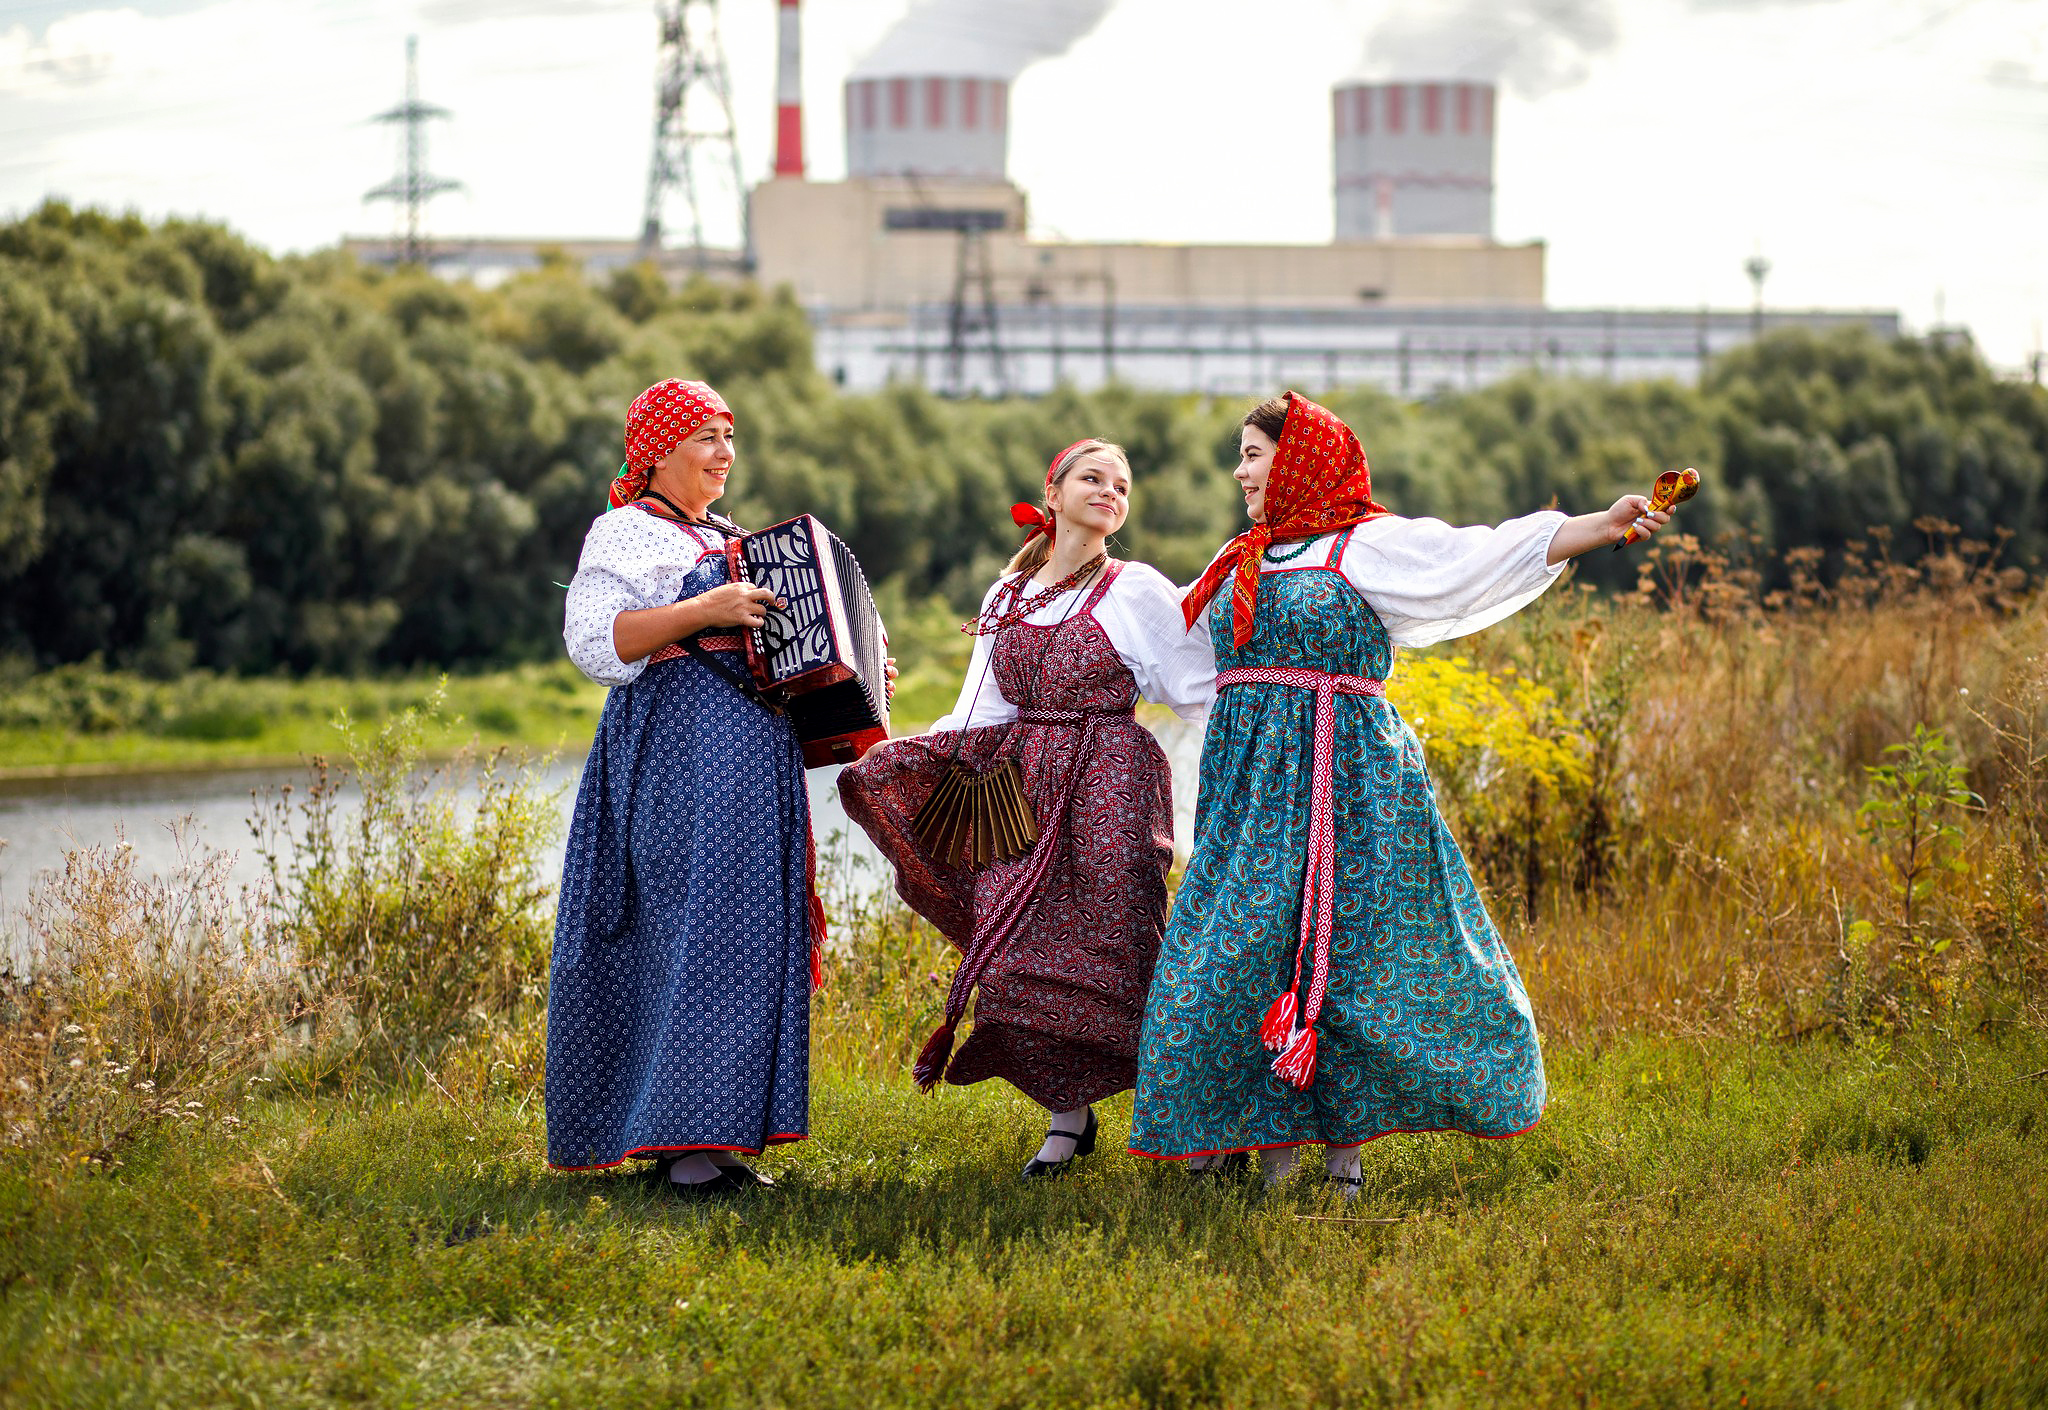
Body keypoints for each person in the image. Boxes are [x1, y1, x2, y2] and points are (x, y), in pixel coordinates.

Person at [1128, 391, 1670, 1193]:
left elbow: (1479, 557)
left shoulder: (1366, 545)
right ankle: (1259, 1143)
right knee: (1230, 957)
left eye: (1253, 453)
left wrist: (1601, 523)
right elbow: (1163, 652)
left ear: (1301, 458)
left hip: (1350, 784)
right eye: (1240, 454)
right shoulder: (1241, 556)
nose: (1239, 471)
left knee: (1354, 959)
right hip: (1247, 793)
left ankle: (1341, 1164)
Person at [838, 439, 1213, 1178]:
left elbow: (1194, 688)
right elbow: (978, 708)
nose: (1109, 491)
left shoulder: (1136, 589)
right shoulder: (1005, 595)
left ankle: (1193, 1120)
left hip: (1110, 781)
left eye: (1122, 484)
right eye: (1093, 478)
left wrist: (1245, 761)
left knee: (1120, 944)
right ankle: (1067, 1121)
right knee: (1018, 954)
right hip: (1019, 793)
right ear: (1054, 490)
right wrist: (897, 756)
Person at [546, 377, 824, 1198]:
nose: (725, 455)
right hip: (673, 758)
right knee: (688, 932)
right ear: (659, 447)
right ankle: (681, 1146)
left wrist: (848, 660)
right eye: (708, 437)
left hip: (750, 759)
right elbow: (598, 642)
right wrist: (705, 607)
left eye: (730, 440)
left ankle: (722, 1134)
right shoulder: (622, 533)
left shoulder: (738, 538)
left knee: (746, 935)